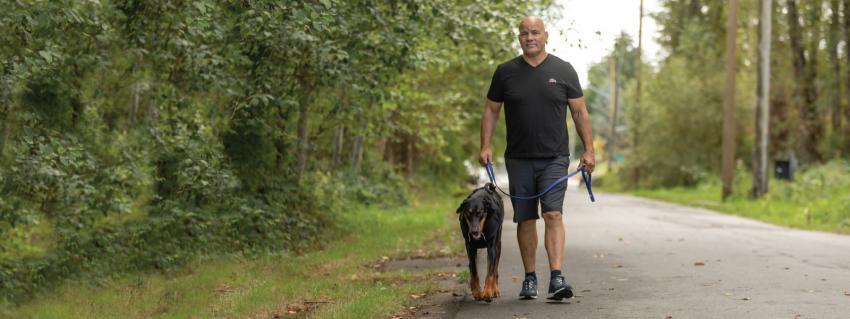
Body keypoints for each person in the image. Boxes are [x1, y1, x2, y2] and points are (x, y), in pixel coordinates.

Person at [478, 16, 596, 300]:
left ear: (546, 35)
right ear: (519, 38)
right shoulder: (505, 72)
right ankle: (529, 278)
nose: (529, 37)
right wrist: (485, 146)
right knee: (526, 218)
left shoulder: (564, 70)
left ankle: (556, 278)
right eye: (524, 33)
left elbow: (579, 112)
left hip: (555, 157)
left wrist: (589, 150)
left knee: (553, 213)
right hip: (518, 158)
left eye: (535, 32)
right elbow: (491, 110)